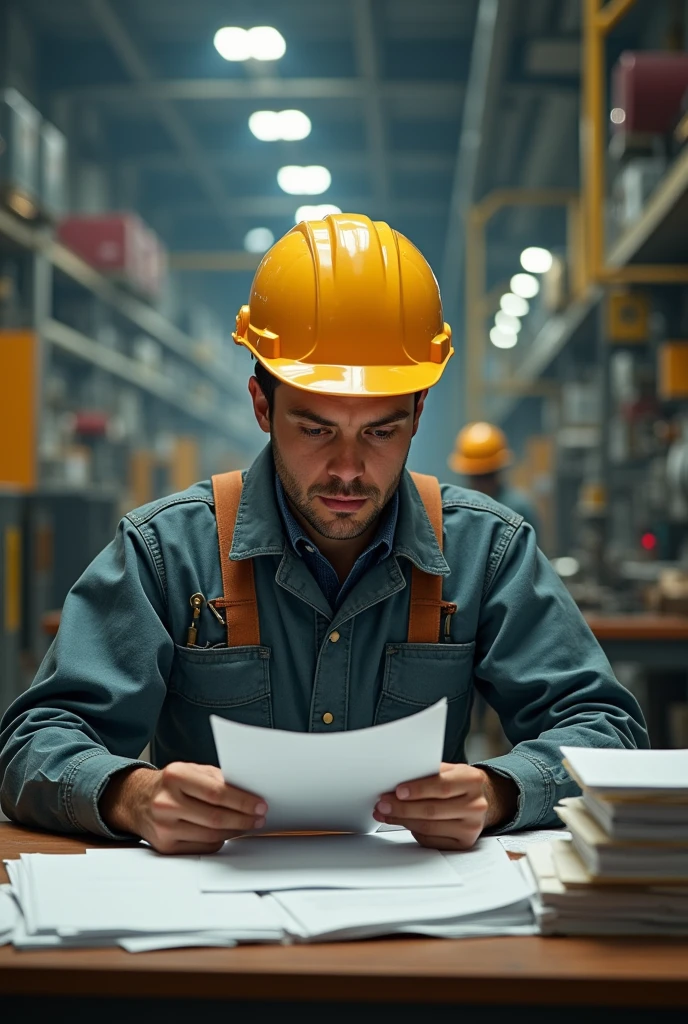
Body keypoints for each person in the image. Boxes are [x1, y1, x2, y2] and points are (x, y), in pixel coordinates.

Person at [0, 214, 646, 856]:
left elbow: (606, 730)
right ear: (263, 405)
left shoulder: (487, 551)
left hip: (419, 923)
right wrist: (131, 796)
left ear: (418, 413)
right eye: (316, 430)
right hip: (214, 930)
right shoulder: (167, 553)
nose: (346, 468)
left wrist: (500, 791)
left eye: (380, 431)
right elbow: (37, 737)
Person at [449, 422, 541, 536]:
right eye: (477, 477)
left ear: (498, 471)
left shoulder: (518, 508)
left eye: (487, 476)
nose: (482, 483)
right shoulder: (458, 510)